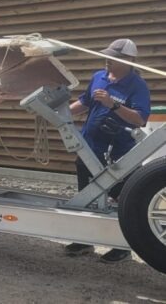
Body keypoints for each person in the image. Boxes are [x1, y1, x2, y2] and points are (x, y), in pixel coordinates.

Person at [64, 39, 150, 263]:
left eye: (112, 58)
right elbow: (84, 103)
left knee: (123, 198)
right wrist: (59, 113)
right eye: (106, 56)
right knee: (86, 196)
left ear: (128, 61)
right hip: (88, 148)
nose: (106, 61)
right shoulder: (98, 77)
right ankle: (84, 241)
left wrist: (113, 104)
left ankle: (122, 246)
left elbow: (140, 119)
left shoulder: (137, 85)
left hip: (118, 154)